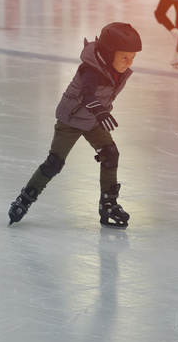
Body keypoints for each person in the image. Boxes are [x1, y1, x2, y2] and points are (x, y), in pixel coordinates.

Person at [8, 23, 142, 229]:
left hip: (93, 121)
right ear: (108, 53)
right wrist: (99, 109)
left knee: (110, 153)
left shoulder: (115, 70)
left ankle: (108, 204)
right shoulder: (90, 70)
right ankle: (25, 198)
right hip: (70, 121)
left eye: (133, 57)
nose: (129, 62)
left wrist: (99, 112)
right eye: (125, 56)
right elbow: (88, 94)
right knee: (54, 162)